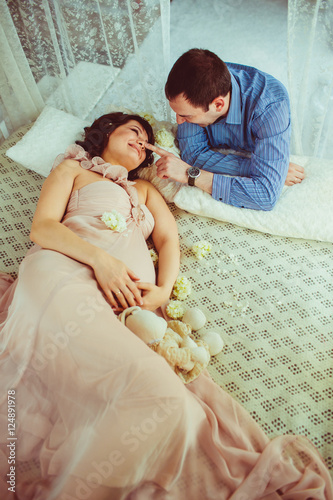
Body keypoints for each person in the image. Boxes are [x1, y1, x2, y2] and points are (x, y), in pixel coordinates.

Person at [0, 112, 332, 500]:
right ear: (107, 132)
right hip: (63, 275)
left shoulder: (145, 192)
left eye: (146, 139)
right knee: (147, 391)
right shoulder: (73, 169)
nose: (141, 141)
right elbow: (42, 227)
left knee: (164, 402)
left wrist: (161, 291)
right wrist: (102, 262)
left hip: (126, 305)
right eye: (134, 132)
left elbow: (169, 242)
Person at [146, 48, 305, 211]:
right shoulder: (195, 88)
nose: (179, 122)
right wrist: (257, 168)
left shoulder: (271, 106)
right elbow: (193, 154)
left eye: (186, 116)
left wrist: (191, 174)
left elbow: (265, 196)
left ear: (218, 104)